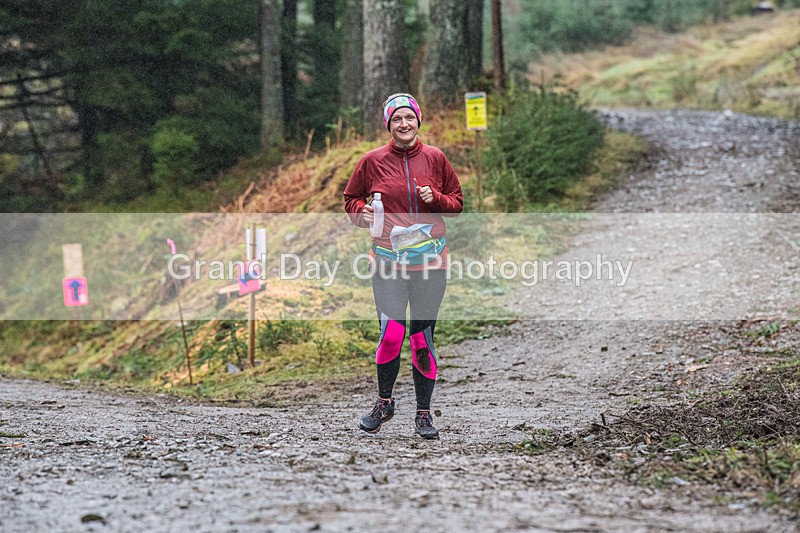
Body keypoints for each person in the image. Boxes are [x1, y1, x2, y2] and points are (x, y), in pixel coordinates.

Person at [343, 93, 463, 439]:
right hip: (387, 262)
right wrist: (361, 213)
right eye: (397, 119)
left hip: (430, 264)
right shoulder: (372, 161)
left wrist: (435, 198)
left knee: (422, 340)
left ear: (418, 121)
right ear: (389, 125)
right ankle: (384, 402)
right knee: (391, 334)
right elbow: (351, 200)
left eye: (409, 117)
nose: (404, 124)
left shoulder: (436, 158)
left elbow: (457, 204)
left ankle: (424, 414)